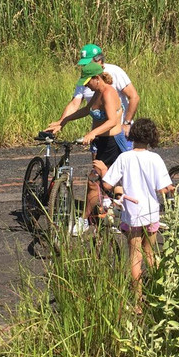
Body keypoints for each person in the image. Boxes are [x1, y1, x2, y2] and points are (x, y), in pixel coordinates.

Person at [46, 61, 132, 235]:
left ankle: (87, 220)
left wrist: (92, 133)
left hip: (113, 143)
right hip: (102, 142)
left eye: (88, 82)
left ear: (97, 78)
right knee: (99, 182)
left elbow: (112, 121)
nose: (87, 86)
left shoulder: (108, 93)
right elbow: (86, 110)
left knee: (99, 182)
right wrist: (63, 122)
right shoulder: (98, 92)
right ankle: (104, 216)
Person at [100, 118, 174, 304]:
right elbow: (164, 188)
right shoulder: (155, 158)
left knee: (135, 255)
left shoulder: (125, 158)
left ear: (132, 135)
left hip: (132, 214)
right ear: (152, 137)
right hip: (151, 213)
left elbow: (107, 183)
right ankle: (162, 292)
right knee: (150, 253)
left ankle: (137, 300)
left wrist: (102, 172)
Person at [53, 43, 140, 137]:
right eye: (84, 64)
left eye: (88, 63)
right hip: (98, 131)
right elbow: (75, 104)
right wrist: (61, 122)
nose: (85, 66)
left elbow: (134, 97)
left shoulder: (115, 72)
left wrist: (127, 123)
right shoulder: (86, 78)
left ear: (99, 60)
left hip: (119, 129)